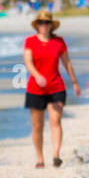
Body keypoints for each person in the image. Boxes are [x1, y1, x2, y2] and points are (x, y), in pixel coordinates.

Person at [23, 11, 80, 169]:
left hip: (56, 87)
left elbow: (67, 63)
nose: (44, 25)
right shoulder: (30, 41)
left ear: (51, 25)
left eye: (46, 22)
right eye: (40, 22)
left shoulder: (59, 42)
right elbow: (28, 62)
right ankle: (40, 158)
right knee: (37, 126)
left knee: (55, 120)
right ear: (37, 25)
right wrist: (37, 75)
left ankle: (56, 155)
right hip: (35, 89)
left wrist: (75, 82)